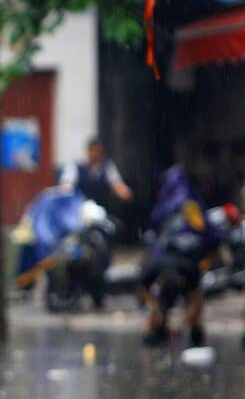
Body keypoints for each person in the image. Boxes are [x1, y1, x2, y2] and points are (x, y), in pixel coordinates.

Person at [141, 166, 223, 347]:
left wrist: (179, 324)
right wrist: (157, 312)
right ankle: (189, 336)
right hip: (187, 258)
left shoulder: (165, 206)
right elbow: (212, 235)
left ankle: (178, 334)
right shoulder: (192, 203)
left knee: (190, 310)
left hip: (188, 258)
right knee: (177, 311)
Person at [60, 137, 133, 208]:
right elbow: (67, 185)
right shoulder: (75, 166)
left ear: (102, 152)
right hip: (80, 209)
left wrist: (124, 192)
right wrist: (65, 190)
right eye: (92, 150)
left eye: (98, 150)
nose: (94, 154)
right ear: (87, 151)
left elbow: (117, 184)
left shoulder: (108, 166)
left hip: (102, 209)